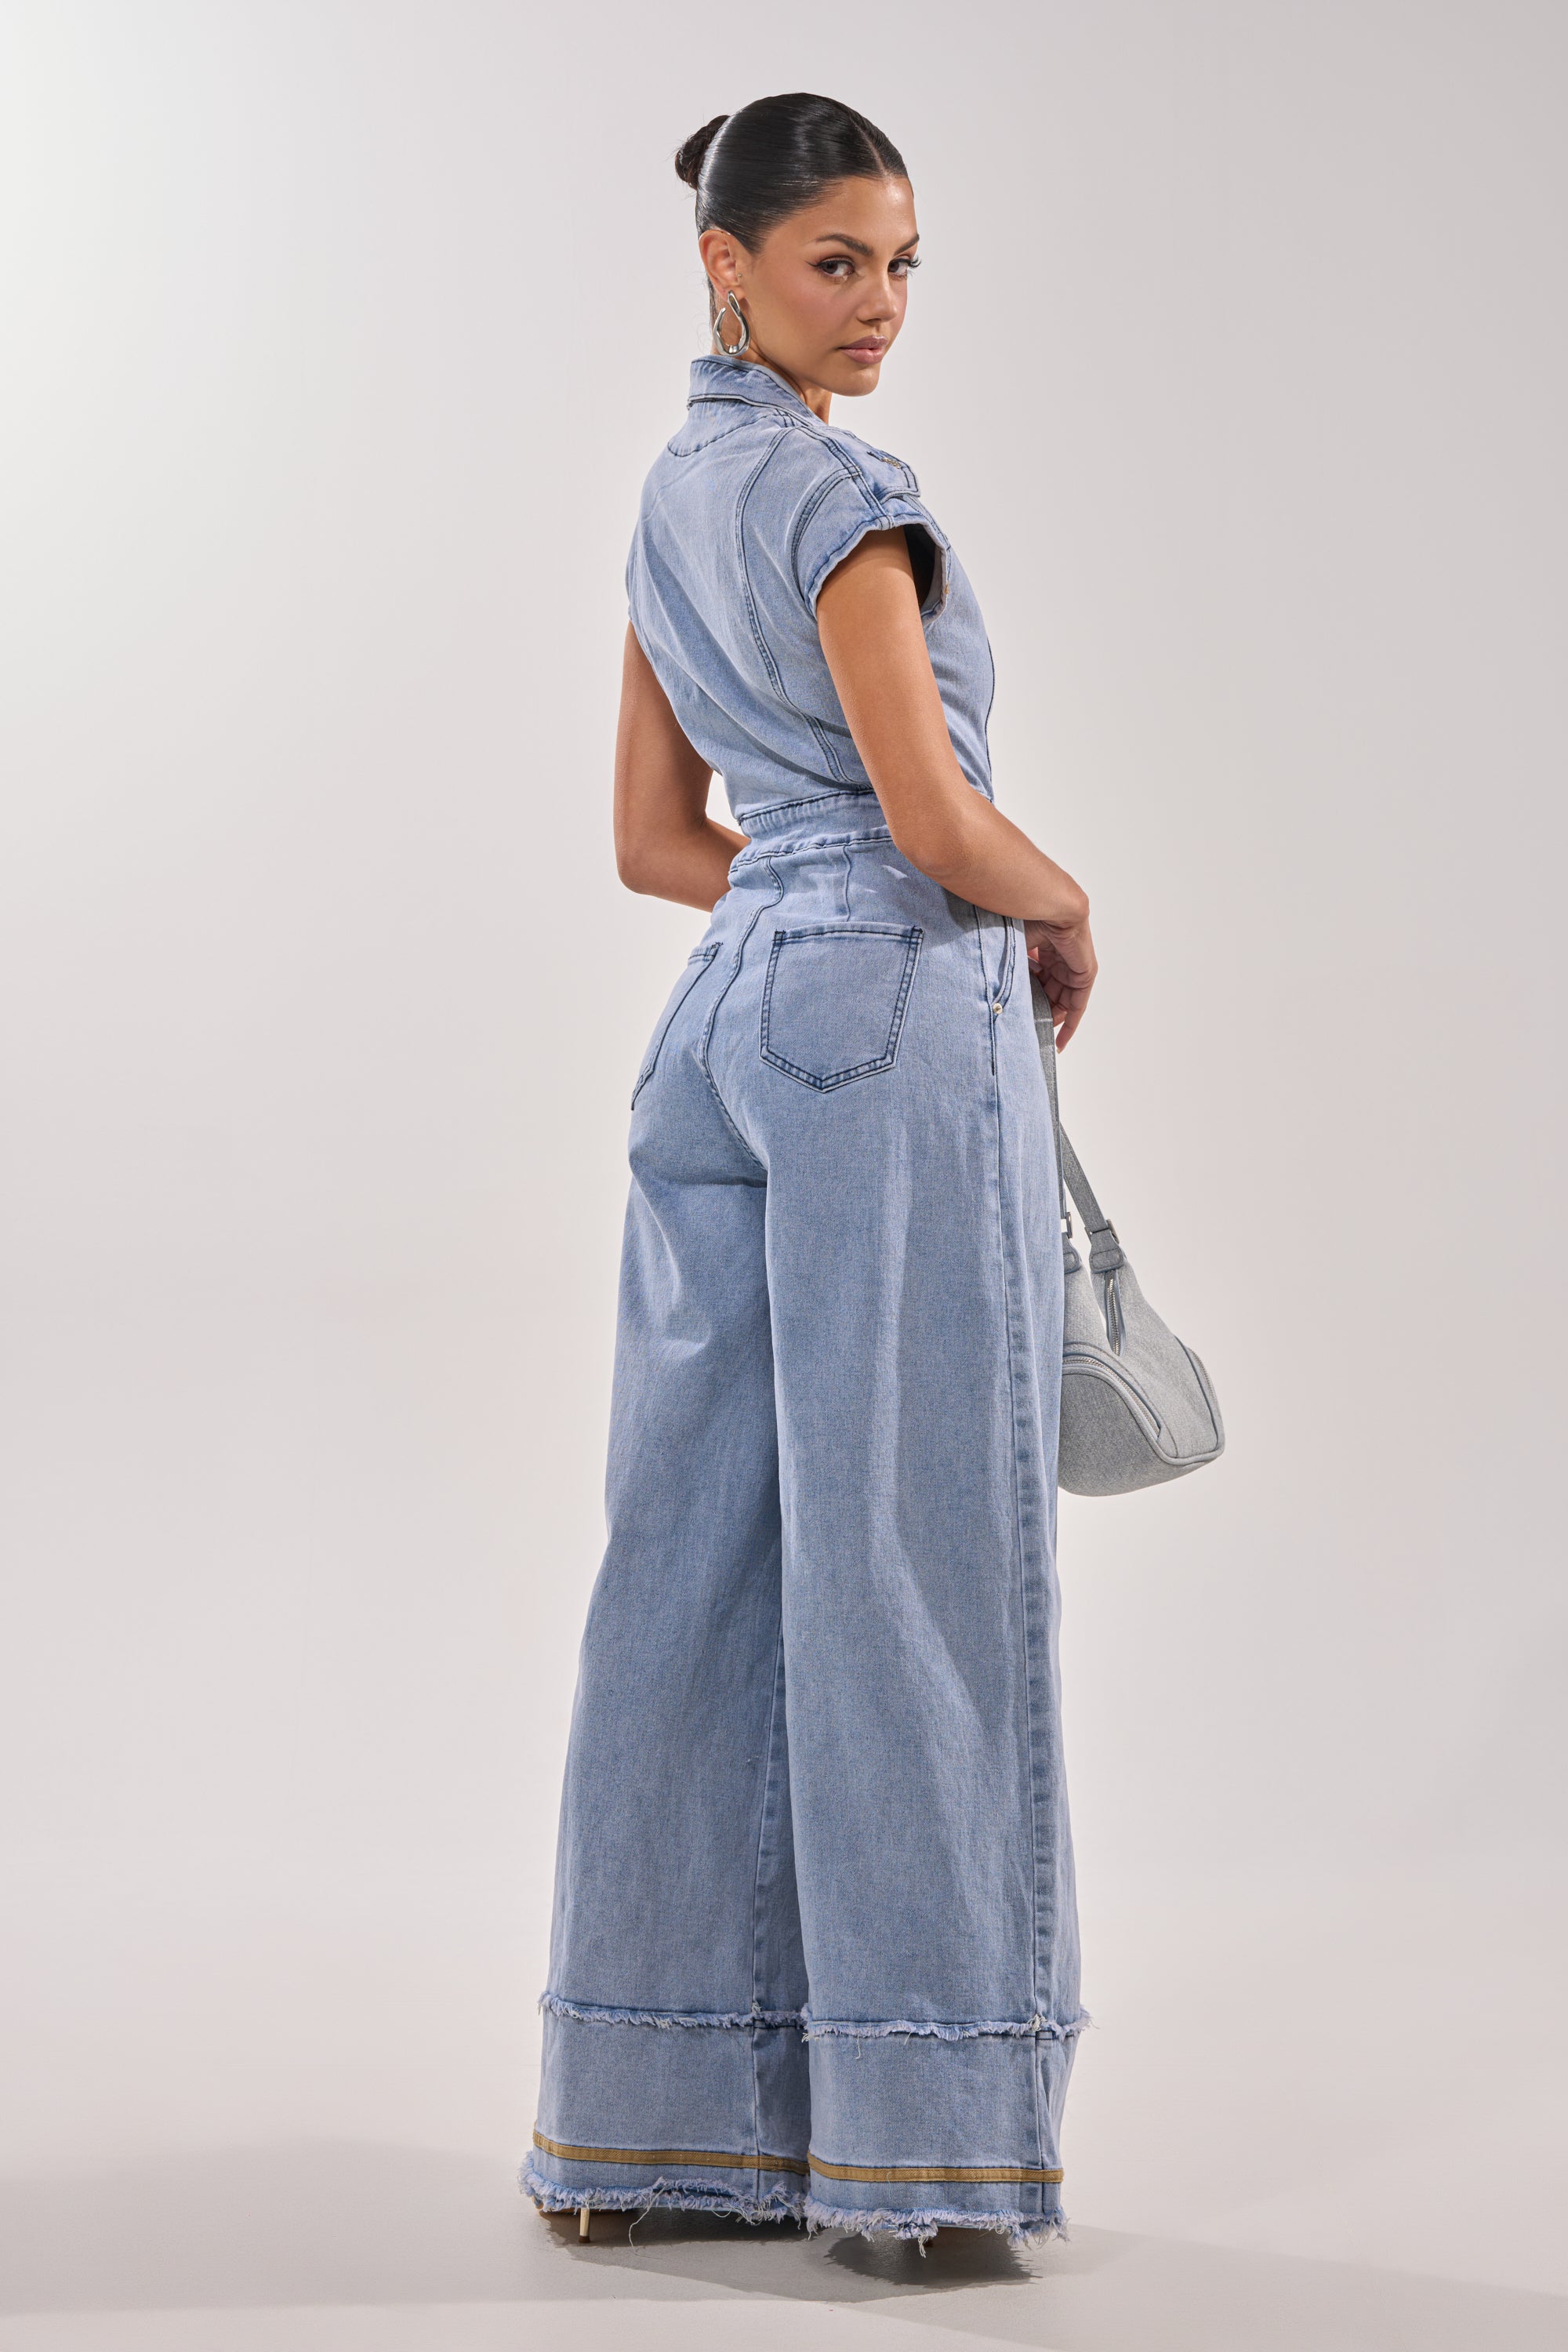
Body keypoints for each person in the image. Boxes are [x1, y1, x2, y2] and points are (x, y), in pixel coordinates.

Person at [522, 92, 1096, 2251]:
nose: (878, 309)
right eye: (838, 261)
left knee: (691, 1554)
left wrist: (813, 899)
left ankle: (642, 2135)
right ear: (727, 260)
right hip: (888, 1009)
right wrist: (1062, 898)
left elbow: (655, 845)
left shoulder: (677, 499)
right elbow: (934, 818)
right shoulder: (849, 502)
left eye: (903, 264)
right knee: (905, 1559)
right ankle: (916, 2161)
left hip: (728, 1021)